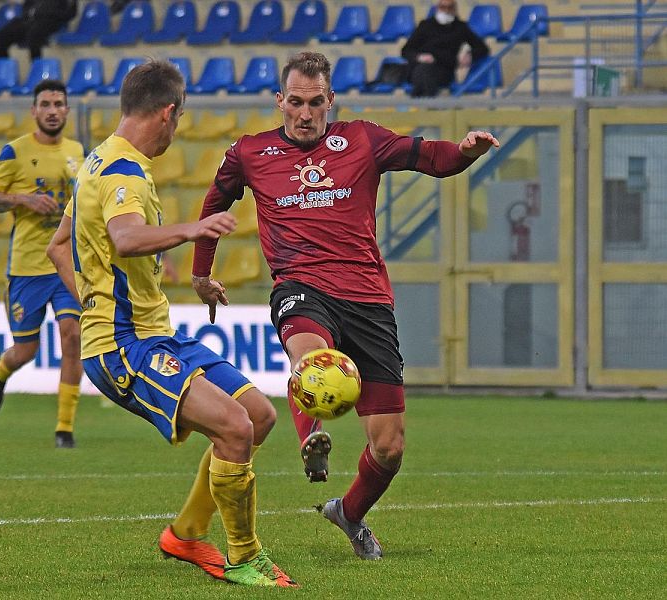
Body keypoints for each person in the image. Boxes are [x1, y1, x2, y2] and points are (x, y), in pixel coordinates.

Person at [192, 51, 498, 560]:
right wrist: (201, 274)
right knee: (311, 358)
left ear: (330, 100)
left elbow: (430, 157)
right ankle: (310, 437)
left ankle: (349, 513)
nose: (305, 113)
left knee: (389, 447)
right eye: (296, 102)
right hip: (300, 287)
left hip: (368, 300)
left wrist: (465, 152)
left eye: (315, 103)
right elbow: (213, 207)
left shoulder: (362, 140)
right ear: (280, 101)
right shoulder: (250, 152)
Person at [46, 60, 296, 587]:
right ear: (167, 112)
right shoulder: (122, 172)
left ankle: (185, 534)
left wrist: (91, 300)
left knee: (258, 415)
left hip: (155, 333)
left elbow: (57, 246)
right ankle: (244, 557)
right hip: (124, 346)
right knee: (234, 428)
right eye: (178, 119)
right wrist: (193, 229)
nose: (176, 131)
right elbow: (126, 238)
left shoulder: (95, 161)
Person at [0, 79, 85, 449]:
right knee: (26, 351)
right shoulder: (16, 151)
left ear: (67, 110)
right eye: (46, 105)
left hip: (66, 263)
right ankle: (0, 373)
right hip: (27, 267)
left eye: (58, 104)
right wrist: (23, 199)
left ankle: (64, 429)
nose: (53, 111)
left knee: (73, 337)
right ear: (34, 111)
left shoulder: (78, 151)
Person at [401, 0, 489, 98]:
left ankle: (418, 102)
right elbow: (406, 50)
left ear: (455, 10)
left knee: (423, 73)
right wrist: (420, 57)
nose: (446, 11)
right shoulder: (425, 25)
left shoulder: (460, 27)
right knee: (421, 71)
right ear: (437, 8)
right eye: (443, 7)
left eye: (450, 8)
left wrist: (470, 55)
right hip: (419, 66)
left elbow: (483, 48)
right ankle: (426, 103)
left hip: (444, 70)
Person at [0, 0, 77, 62]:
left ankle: (36, 69)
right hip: (28, 20)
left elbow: (70, 13)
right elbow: (27, 6)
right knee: (0, 37)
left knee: (34, 35)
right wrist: (30, 13)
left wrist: (46, 13)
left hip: (50, 20)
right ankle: (6, 69)